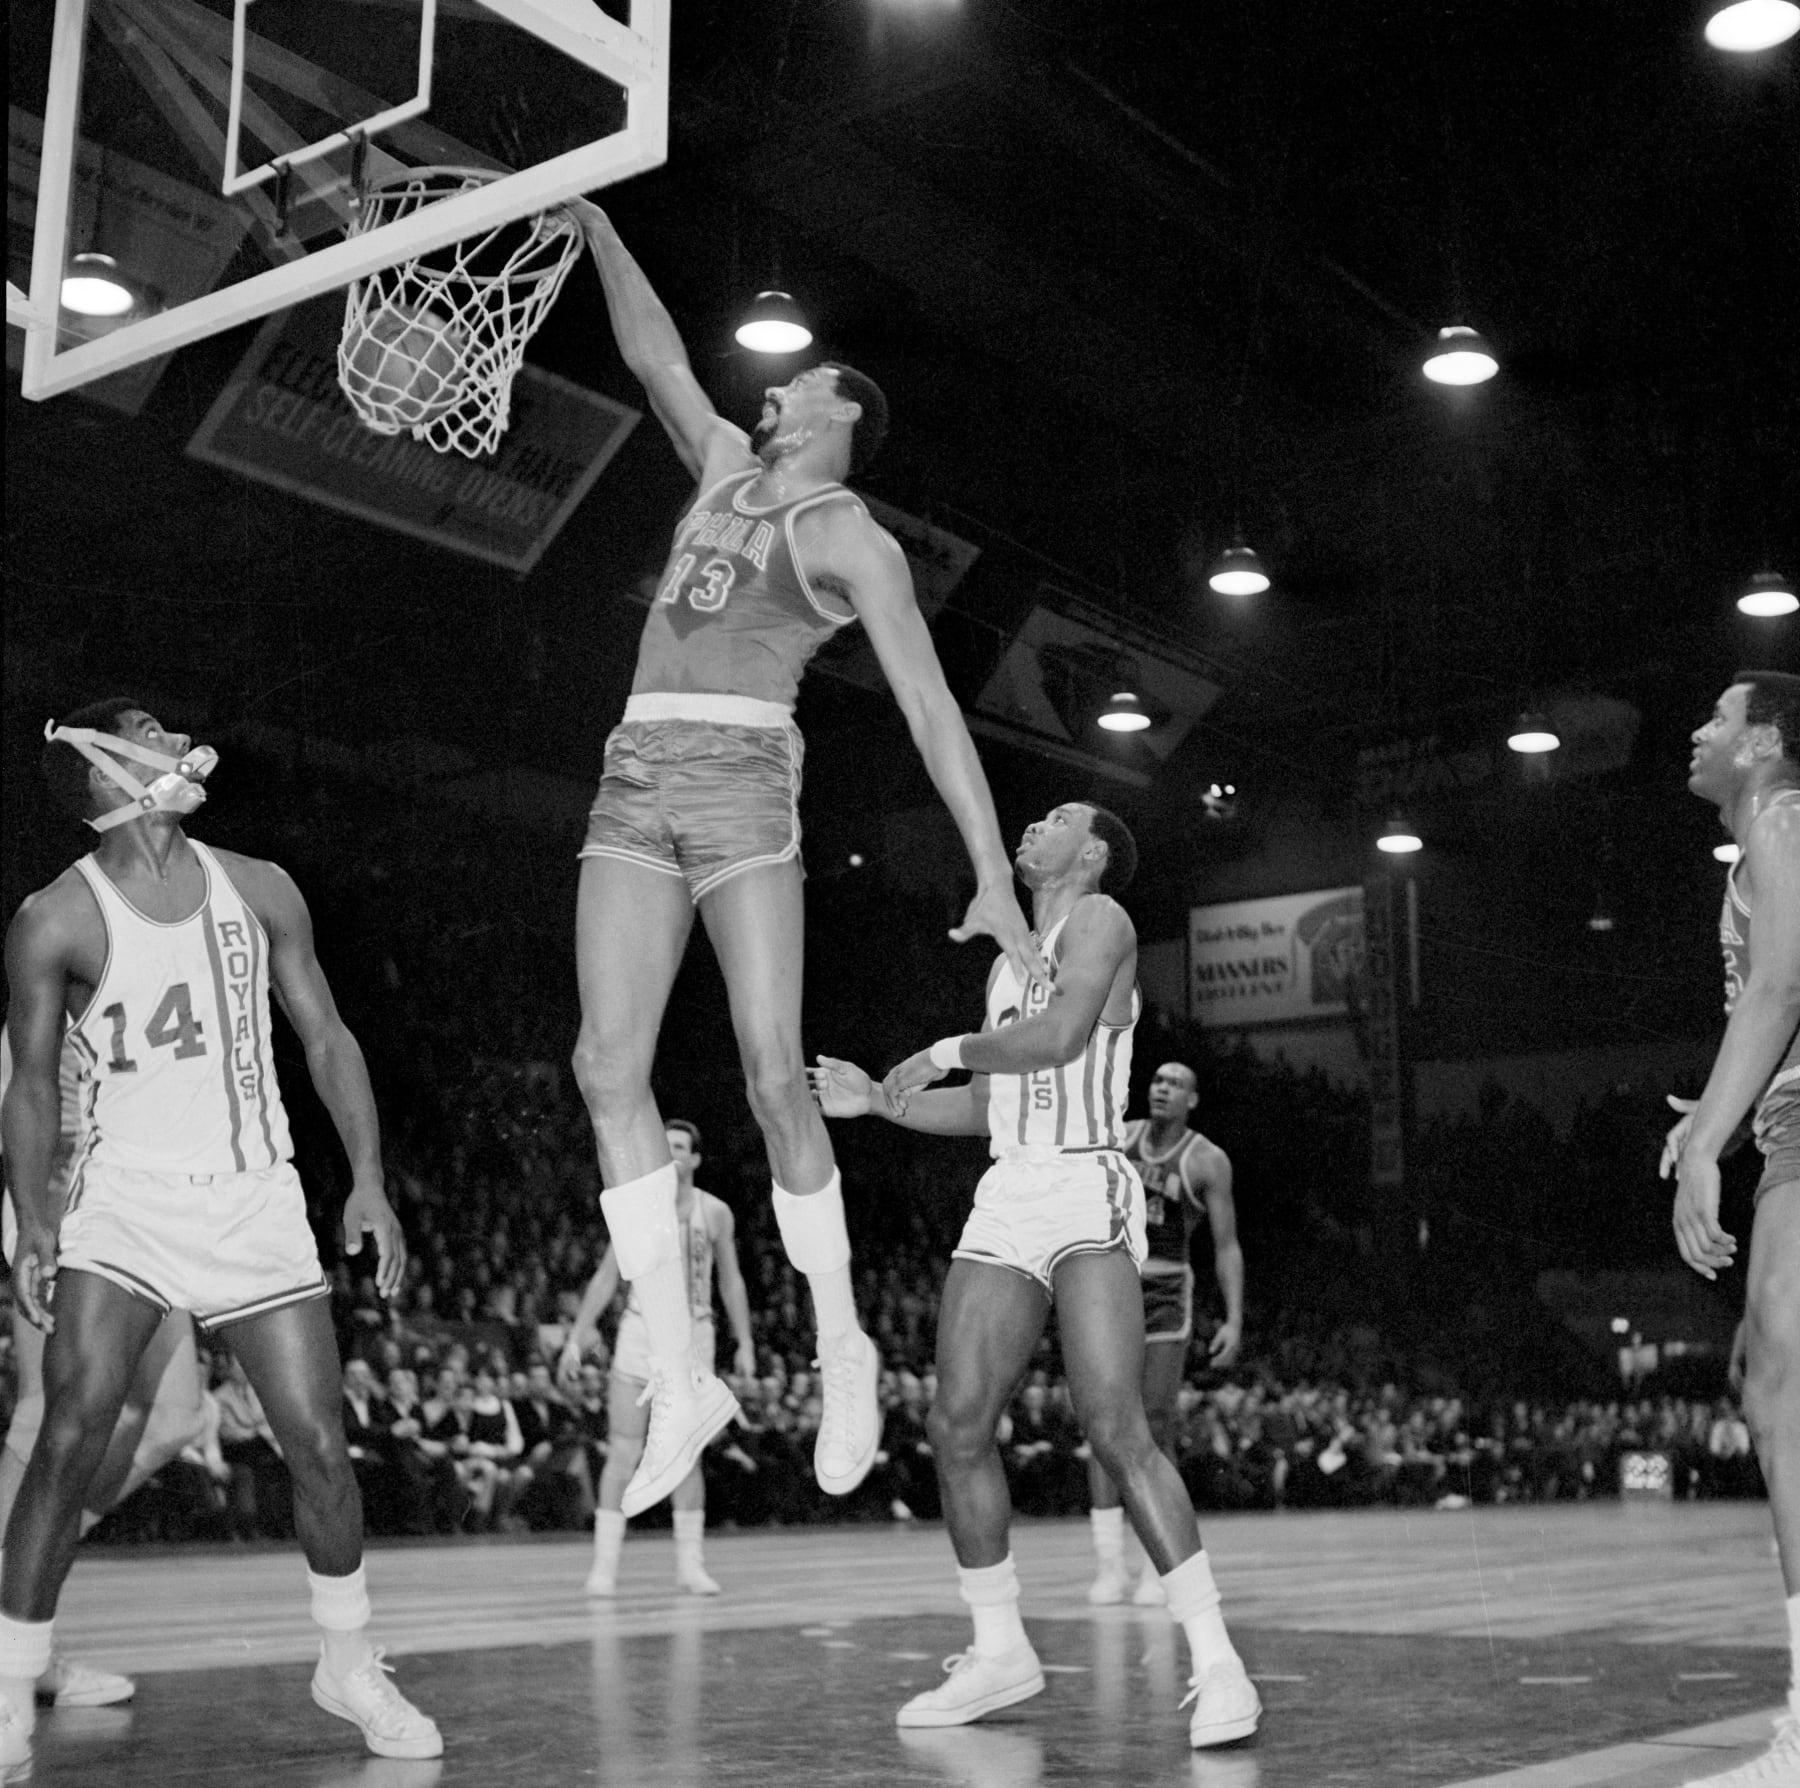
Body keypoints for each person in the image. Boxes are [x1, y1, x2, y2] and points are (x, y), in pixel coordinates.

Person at [565, 200, 1048, 1523]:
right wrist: (601, 221)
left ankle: (845, 1343)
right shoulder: (720, 463)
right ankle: (683, 1377)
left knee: (776, 1076)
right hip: (633, 770)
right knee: (605, 1066)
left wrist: (992, 871)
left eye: (799, 380)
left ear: (839, 416)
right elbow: (656, 352)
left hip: (738, 782)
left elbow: (933, 709)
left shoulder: (851, 537)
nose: (770, 385)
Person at [0, 700, 440, 1776]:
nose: (175, 737)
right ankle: (12, 1685)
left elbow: (327, 1035)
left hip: (254, 1199)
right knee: (70, 1434)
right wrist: (35, 1217)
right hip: (127, 1205)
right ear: (106, 770)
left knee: (320, 1448)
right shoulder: (56, 917)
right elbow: (27, 1087)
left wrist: (370, 1181)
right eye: (148, 728)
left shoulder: (259, 884)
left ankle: (347, 1662)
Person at [812, 801, 1260, 1749]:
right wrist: (880, 1105)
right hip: (1009, 1191)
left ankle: (1219, 1663)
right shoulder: (1002, 966)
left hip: (1086, 1182)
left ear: (1089, 851)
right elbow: (984, 1107)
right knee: (955, 1421)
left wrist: (933, 1052)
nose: (1030, 827)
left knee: (1115, 1427)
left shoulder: (1102, 920)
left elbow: (1058, 1039)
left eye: (1053, 818)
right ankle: (997, 1648)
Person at [1661, 670, 1800, 1788]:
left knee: (1780, 1389)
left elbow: (1781, 987)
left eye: (1719, 716)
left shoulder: (1785, 819)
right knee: (1772, 1382)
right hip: (1790, 1126)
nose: (1700, 732)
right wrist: (1709, 1111)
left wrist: (1713, 1140)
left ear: (1763, 743)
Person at [0, 1025, 207, 1709]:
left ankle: (16, 1593)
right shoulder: (76, 950)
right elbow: (37, 1105)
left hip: (153, 1212)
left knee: (176, 1413)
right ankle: (21, 1640)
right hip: (69, 1206)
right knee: (44, 1412)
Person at [559, 1119, 757, 1595]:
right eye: (663, 1146)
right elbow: (607, 1276)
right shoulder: (639, 1208)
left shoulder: (715, 1213)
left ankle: (690, 1565)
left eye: (680, 1147)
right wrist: (577, 1336)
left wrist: (746, 1341)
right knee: (623, 1449)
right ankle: (604, 1567)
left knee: (687, 1454)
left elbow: (730, 1281)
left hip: (695, 1336)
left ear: (695, 1158)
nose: (670, 1154)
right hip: (640, 1330)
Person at [1086, 1061, 1242, 1607]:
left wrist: (1234, 1319)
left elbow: (1226, 1246)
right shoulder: (1119, 1136)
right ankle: (1110, 1567)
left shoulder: (1206, 1160)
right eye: (1156, 1080)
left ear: (1192, 1100)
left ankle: (1162, 1564)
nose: (1162, 1088)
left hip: (1168, 1289)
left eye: (1175, 1084)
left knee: (1154, 1422)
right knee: (1103, 1421)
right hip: (1113, 1282)